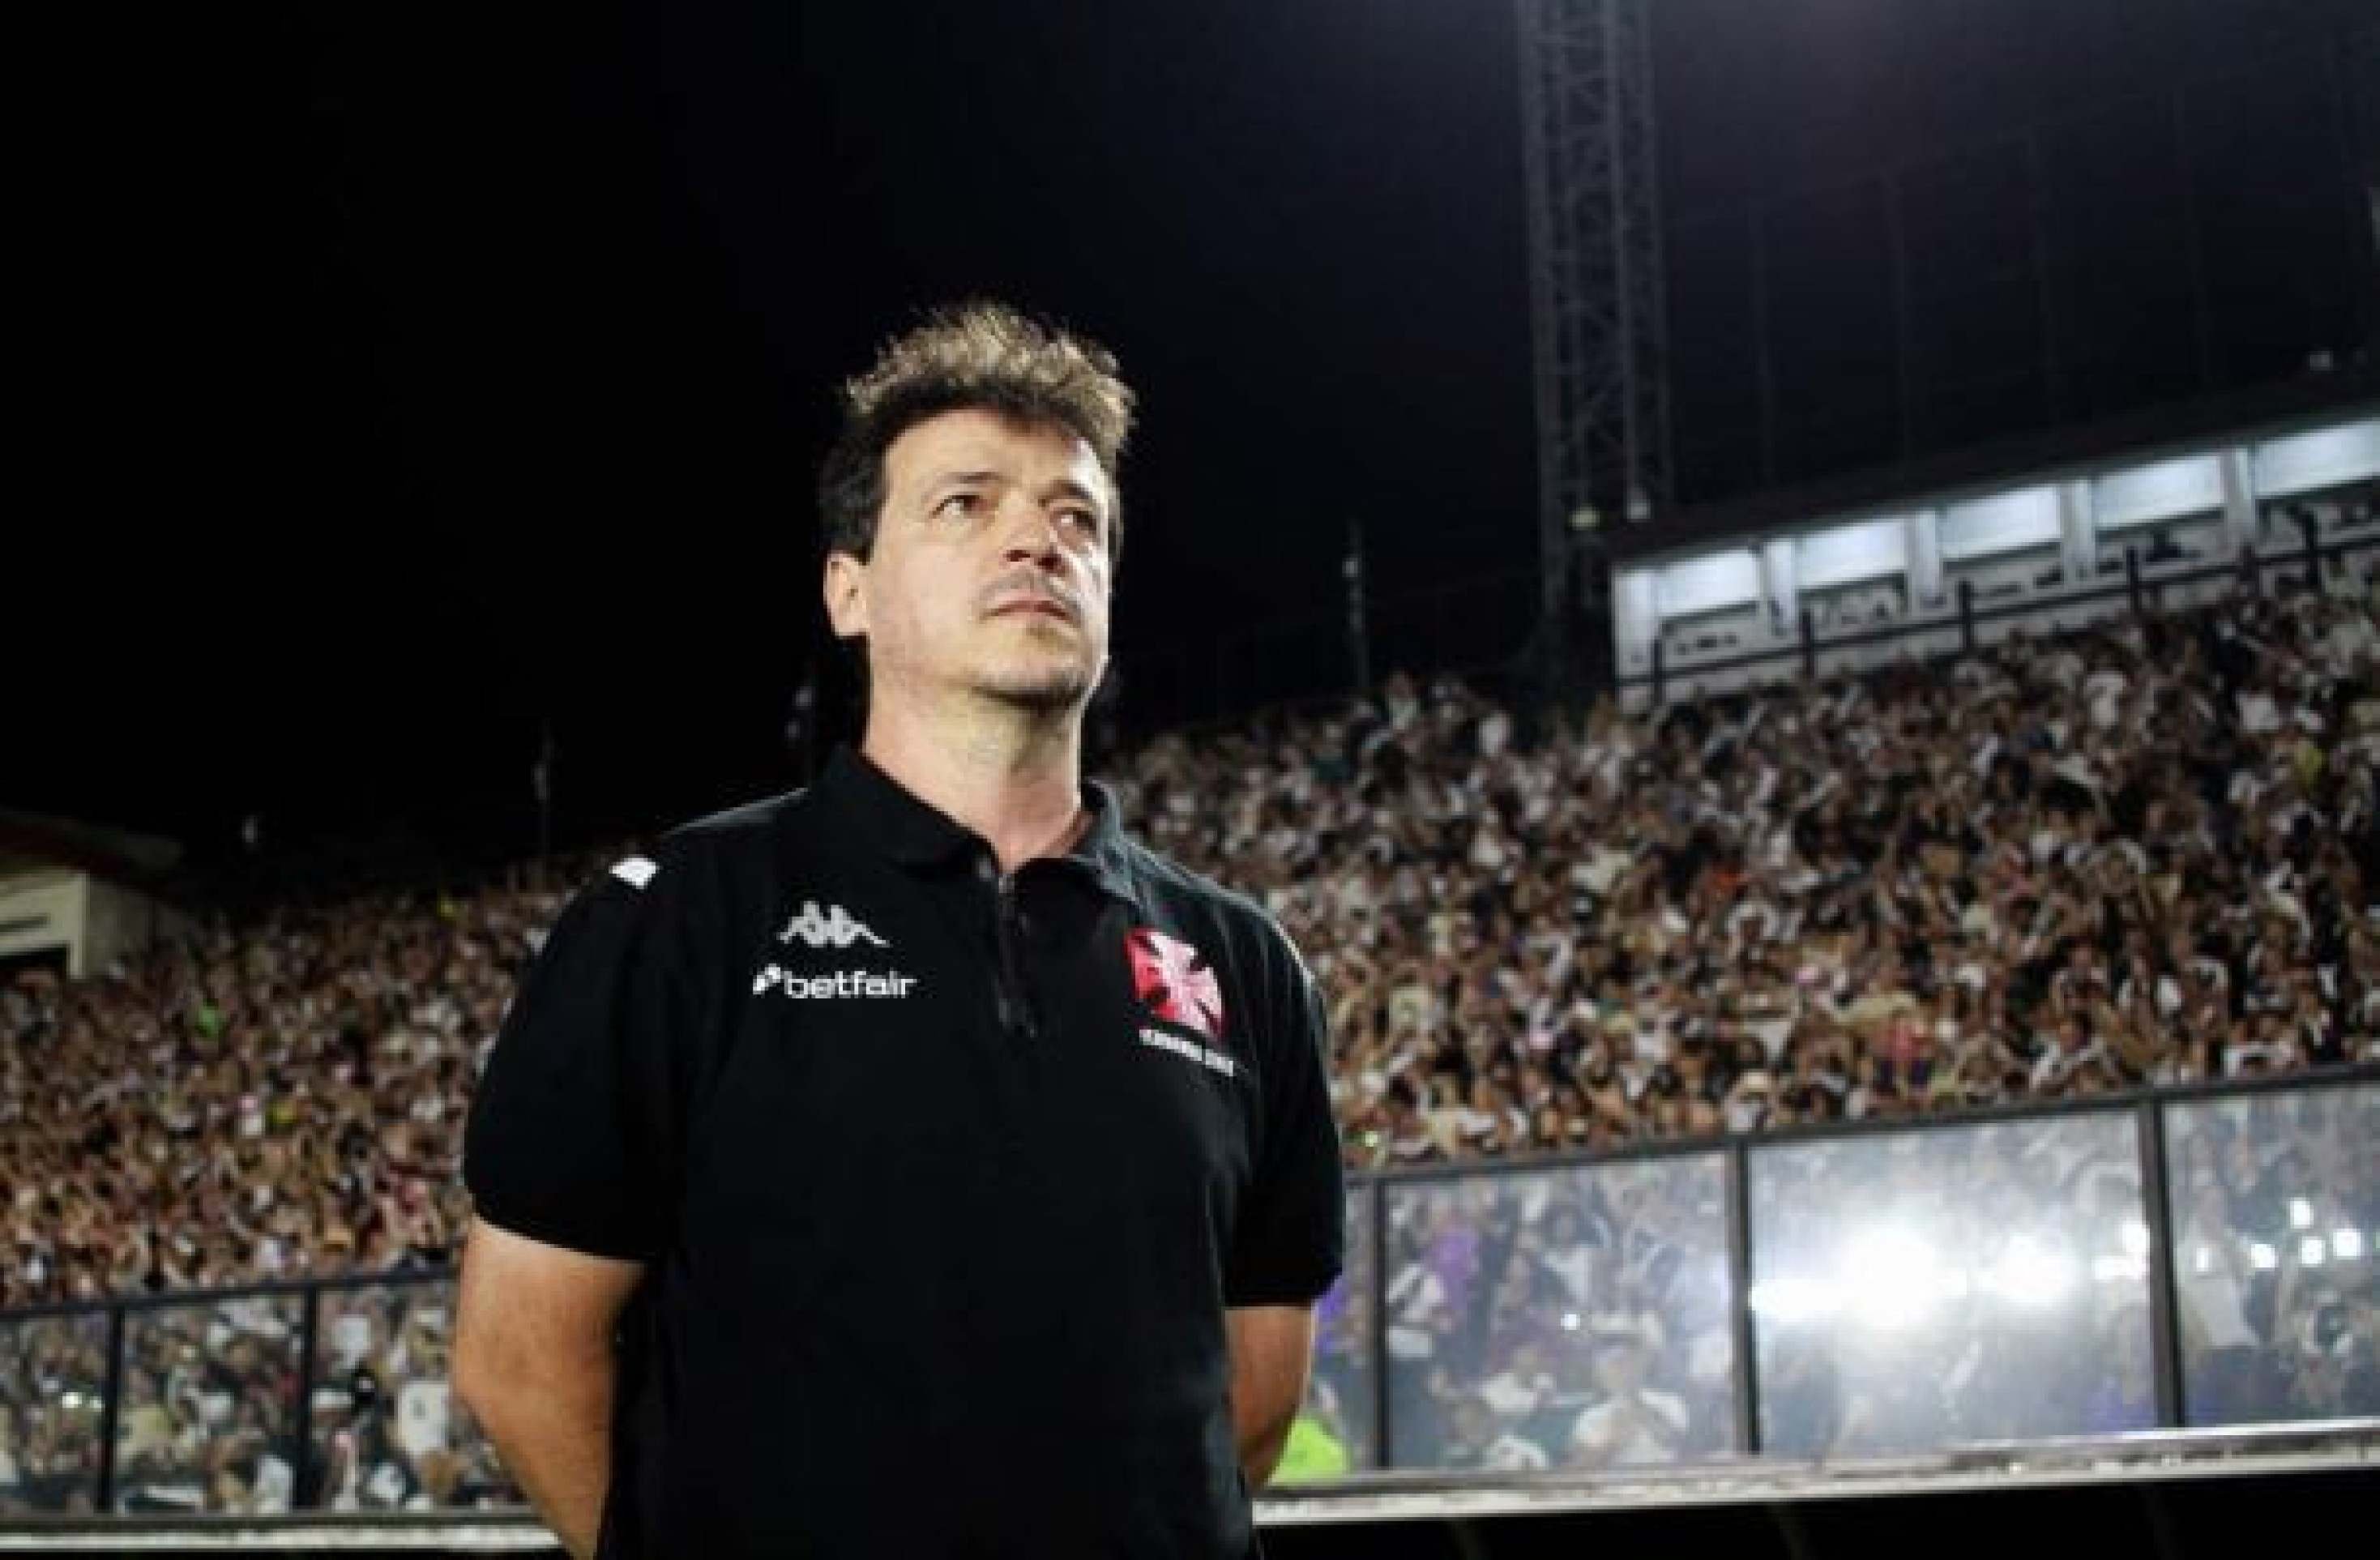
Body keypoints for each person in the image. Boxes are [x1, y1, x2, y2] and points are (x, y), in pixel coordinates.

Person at [453, 302, 1346, 1559]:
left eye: (1074, 515)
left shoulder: (1241, 962)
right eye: (965, 504)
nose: (1037, 537)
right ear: (848, 590)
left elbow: (1247, 1399)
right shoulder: (671, 920)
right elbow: (518, 1360)